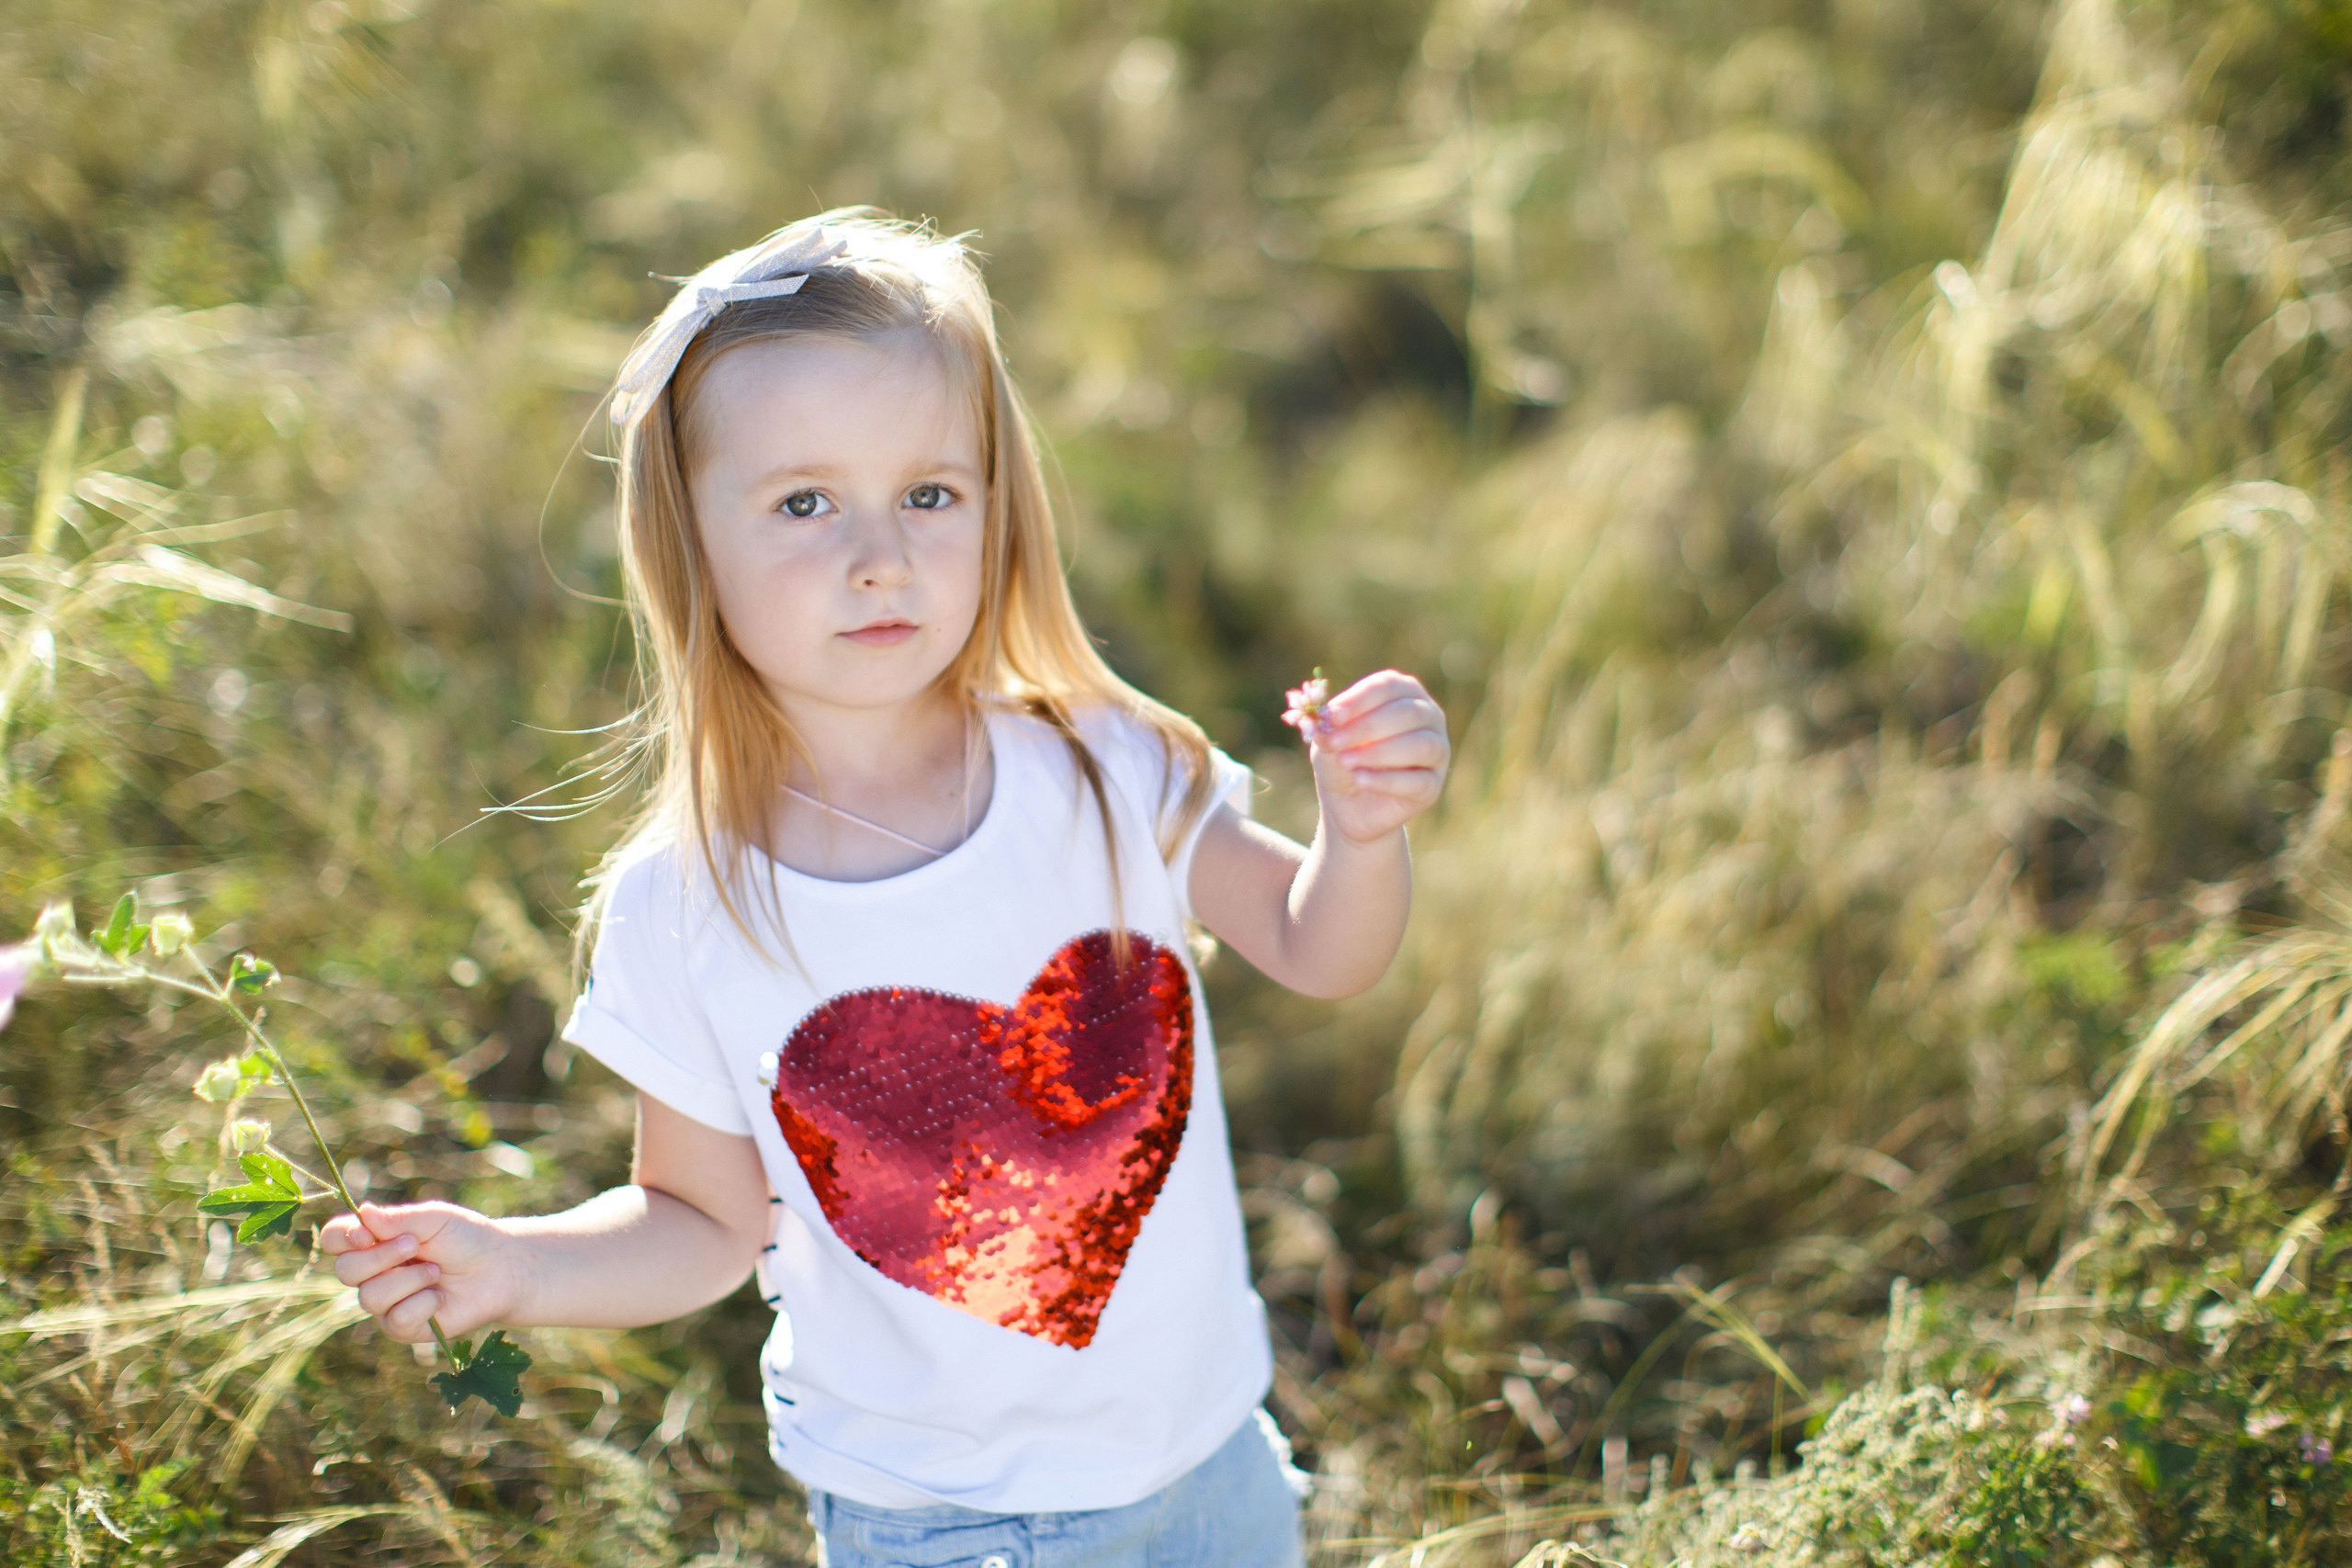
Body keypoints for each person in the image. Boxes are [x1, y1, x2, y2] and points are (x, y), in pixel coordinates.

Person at [322, 210, 1451, 1566]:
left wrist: (1364, 831)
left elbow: (1321, 948)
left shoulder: (1098, 762)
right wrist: (521, 1266)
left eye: (930, 494)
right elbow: (698, 1221)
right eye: (805, 504)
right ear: (691, 547)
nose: (880, 556)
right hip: (947, 1523)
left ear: (997, 505)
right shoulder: (686, 905)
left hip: (1212, 1465)